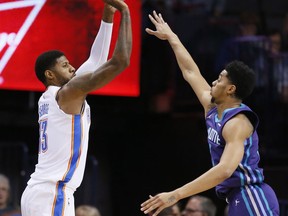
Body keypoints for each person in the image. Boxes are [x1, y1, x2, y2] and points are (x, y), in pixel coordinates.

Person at [140, 11, 279, 216]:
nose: (214, 81)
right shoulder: (212, 108)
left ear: (231, 89)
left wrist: (176, 194)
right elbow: (190, 72)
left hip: (251, 195)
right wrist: (172, 37)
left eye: (220, 78)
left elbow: (225, 170)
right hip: (236, 197)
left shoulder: (237, 122)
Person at [20, 0, 132, 216]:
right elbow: (121, 61)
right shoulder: (67, 93)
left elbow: (96, 60)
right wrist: (124, 11)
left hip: (43, 192)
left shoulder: (53, 96)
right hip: (52, 193)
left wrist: (107, 16)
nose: (72, 67)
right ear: (50, 75)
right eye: (64, 65)